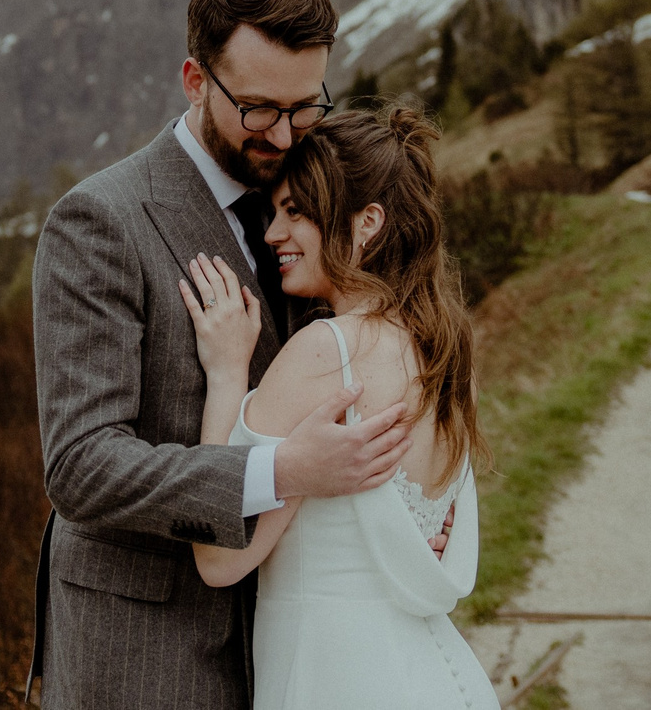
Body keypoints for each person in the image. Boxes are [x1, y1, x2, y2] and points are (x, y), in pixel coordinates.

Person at [30, 0, 415, 710]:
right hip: (145, 648)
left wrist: (397, 523)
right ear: (195, 80)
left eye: (305, 107)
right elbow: (80, 466)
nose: (283, 134)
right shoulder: (100, 222)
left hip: (293, 632)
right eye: (259, 108)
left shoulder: (311, 190)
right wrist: (281, 470)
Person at [174, 104, 499, 710]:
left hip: (334, 678)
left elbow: (219, 558)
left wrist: (226, 372)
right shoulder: (447, 358)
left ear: (366, 222)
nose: (272, 233)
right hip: (437, 676)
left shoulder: (326, 353)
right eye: (275, 212)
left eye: (296, 212)